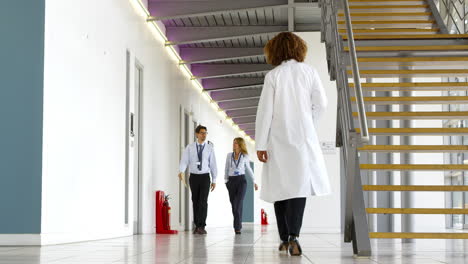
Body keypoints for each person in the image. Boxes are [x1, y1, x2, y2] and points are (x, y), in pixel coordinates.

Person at [255, 32, 331, 256]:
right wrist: (309, 123)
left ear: (275, 50)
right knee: (299, 188)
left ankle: (282, 238)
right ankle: (294, 236)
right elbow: (322, 104)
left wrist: (260, 144)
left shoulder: (273, 76)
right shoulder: (309, 72)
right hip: (303, 140)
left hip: (277, 140)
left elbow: (265, 113)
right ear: (299, 49)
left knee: (280, 189)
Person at [178, 125, 217, 235]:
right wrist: (181, 171)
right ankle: (197, 225)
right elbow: (185, 160)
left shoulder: (209, 148)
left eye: (205, 133)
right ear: (196, 134)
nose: (203, 135)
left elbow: (213, 164)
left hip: (205, 176)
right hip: (194, 177)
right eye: (201, 133)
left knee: (203, 201)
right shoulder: (190, 147)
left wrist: (214, 179)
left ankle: (202, 225)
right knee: (195, 201)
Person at [224, 137, 258, 235]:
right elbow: (226, 168)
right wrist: (226, 180)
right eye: (233, 143)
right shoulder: (229, 155)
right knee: (234, 205)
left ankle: (237, 227)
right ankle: (238, 224)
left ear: (240, 145)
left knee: (238, 203)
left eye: (236, 143)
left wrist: (254, 181)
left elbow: (248, 169)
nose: (234, 145)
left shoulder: (245, 156)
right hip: (231, 181)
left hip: (241, 181)